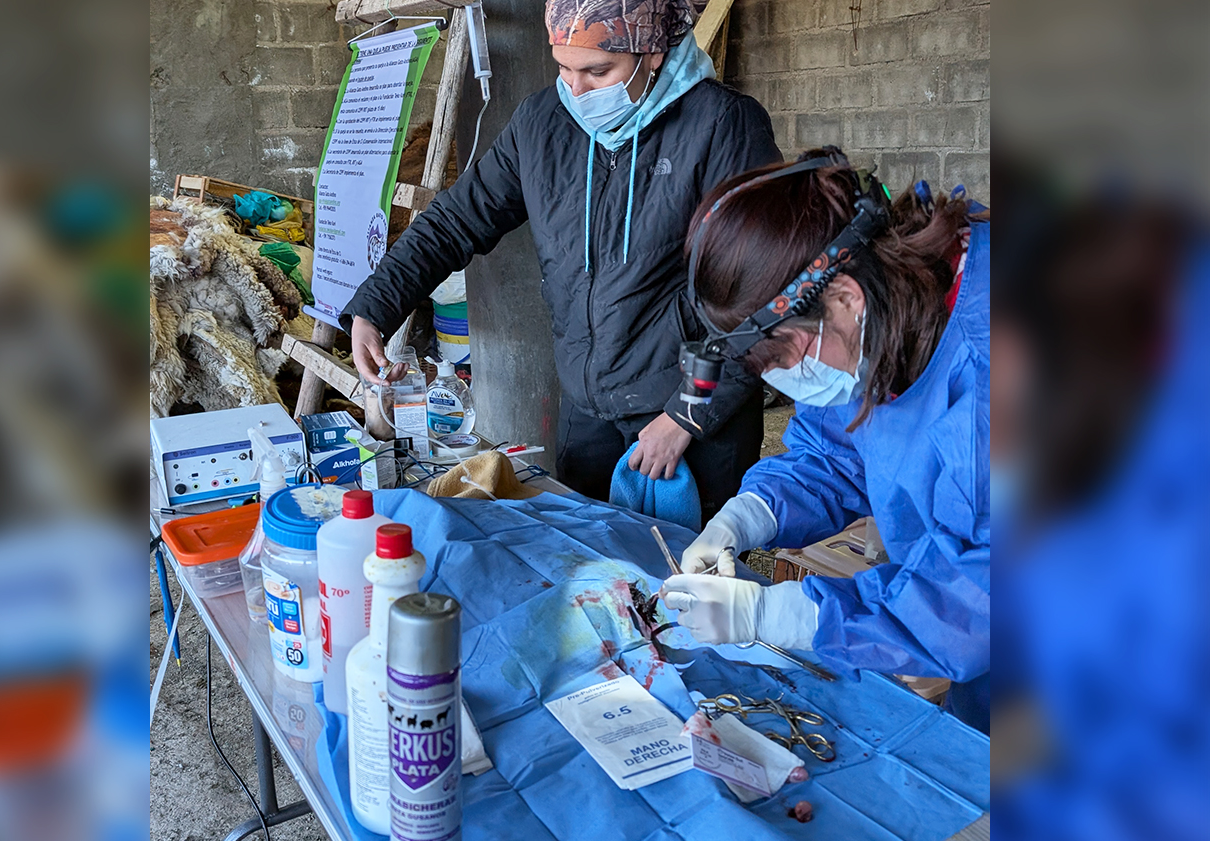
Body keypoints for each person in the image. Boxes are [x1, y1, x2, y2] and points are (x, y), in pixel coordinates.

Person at [339, 0, 781, 523]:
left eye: (598, 71)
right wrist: (375, 307)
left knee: (687, 580)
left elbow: (762, 289)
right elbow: (456, 220)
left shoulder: (723, 126)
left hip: (688, 418)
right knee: (591, 574)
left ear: (653, 52)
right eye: (562, 67)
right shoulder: (543, 124)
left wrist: (687, 414)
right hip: (587, 409)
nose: (575, 89)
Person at [660, 149, 991, 732]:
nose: (783, 377)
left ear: (842, 297)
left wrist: (790, 615)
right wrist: (747, 517)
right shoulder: (882, 316)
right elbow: (834, 450)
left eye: (783, 355)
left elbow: (982, 596)